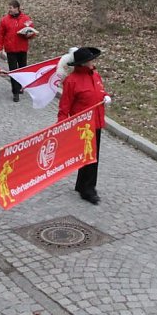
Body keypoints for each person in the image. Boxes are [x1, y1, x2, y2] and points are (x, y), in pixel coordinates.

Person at [57, 47, 111, 205]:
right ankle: (88, 189)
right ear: (82, 64)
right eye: (90, 60)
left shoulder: (95, 75)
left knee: (92, 156)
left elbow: (99, 92)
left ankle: (81, 184)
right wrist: (61, 127)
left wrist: (105, 96)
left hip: (96, 122)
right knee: (90, 157)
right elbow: (64, 107)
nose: (93, 62)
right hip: (82, 126)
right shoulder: (72, 81)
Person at [0, 0, 37, 102]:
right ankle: (15, 92)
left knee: (23, 69)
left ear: (17, 8)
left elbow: (31, 31)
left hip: (22, 48)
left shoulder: (26, 19)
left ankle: (20, 86)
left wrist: (29, 35)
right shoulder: (4, 20)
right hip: (11, 49)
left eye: (11, 8)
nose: (9, 9)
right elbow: (0, 35)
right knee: (13, 71)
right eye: (9, 8)